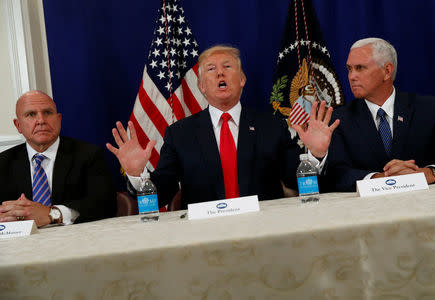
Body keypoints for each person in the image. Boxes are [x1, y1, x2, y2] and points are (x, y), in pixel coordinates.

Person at [107, 45, 339, 208]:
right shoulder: (180, 134)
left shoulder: (271, 126)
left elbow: (295, 180)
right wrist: (138, 175)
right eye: (211, 69)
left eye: (227, 66)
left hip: (264, 229)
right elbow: (162, 194)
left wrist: (316, 156)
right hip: (203, 236)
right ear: (201, 86)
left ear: (242, 80)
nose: (219, 72)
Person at [327, 38, 435, 191]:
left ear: (387, 71)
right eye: (349, 69)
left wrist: (429, 173)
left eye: (360, 68)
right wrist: (382, 179)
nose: (351, 76)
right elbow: (336, 174)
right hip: (367, 211)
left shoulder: (430, 109)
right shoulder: (339, 119)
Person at [0, 91, 115, 227]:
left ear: (59, 119)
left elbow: (106, 205)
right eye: (31, 114)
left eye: (47, 113)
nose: (41, 120)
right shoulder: (3, 162)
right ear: (18, 125)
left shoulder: (88, 154)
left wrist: (53, 214)